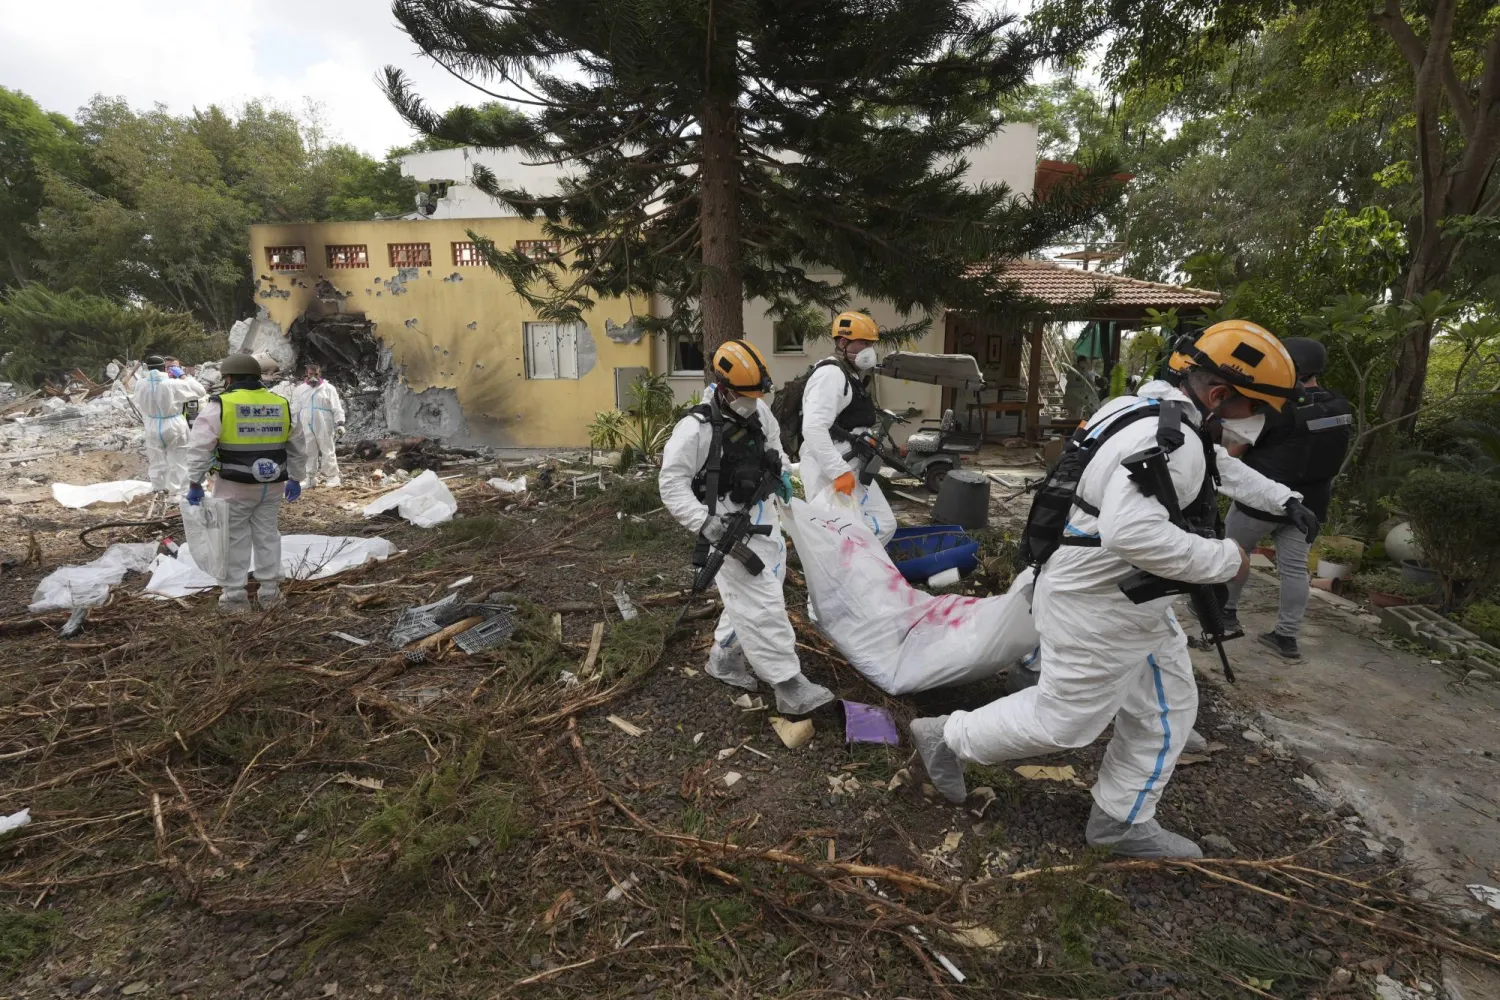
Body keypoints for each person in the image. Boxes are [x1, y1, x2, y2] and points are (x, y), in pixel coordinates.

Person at [908, 320, 1320, 859]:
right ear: (1220, 394)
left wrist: (1283, 498)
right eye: (1258, 409)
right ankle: (947, 736)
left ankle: (1121, 819)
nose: (1260, 424)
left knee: (1169, 706)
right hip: (1100, 604)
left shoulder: (1149, 413)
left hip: (1128, 599)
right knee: (1064, 722)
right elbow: (1132, 532)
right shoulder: (1171, 440)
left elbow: (1216, 468)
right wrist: (1225, 559)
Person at [659, 339, 835, 716]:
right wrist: (707, 525)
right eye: (745, 394)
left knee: (764, 588)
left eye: (757, 394)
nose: (752, 401)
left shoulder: (757, 411)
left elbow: (773, 446)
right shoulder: (695, 430)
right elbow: (671, 485)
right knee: (763, 600)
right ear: (723, 388)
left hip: (762, 512)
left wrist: (786, 474)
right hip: (726, 522)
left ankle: (723, 657)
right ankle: (788, 684)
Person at [1221, 337, 1352, 660]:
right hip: (1310, 504)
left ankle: (1225, 612)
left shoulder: (1275, 409)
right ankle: (1286, 637)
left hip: (1263, 500)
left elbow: (1231, 452)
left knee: (1233, 554)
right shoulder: (1339, 405)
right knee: (1294, 570)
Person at [184, 353, 308, 614]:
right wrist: (296, 478)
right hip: (273, 485)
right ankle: (271, 594)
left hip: (234, 486)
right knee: (268, 536)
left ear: (228, 378)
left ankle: (235, 597)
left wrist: (195, 482)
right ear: (257, 377)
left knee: (233, 539)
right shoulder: (281, 404)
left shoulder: (221, 405)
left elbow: (200, 448)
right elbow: (297, 446)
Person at [800, 311, 896, 545]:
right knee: (839, 535)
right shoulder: (830, 374)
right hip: (832, 466)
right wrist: (838, 471)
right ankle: (838, 579)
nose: (869, 350)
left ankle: (861, 575)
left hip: (852, 463)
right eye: (864, 343)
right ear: (844, 343)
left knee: (881, 525)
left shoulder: (849, 374)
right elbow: (813, 428)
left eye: (870, 344)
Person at [131, 355, 207, 495]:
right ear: (164, 368)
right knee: (181, 459)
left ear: (147, 368)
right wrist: (184, 376)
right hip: (173, 423)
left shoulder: (140, 384)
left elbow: (138, 400)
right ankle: (184, 492)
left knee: (156, 460)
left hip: (152, 423)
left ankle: (159, 490)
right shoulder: (172, 384)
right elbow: (200, 391)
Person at [291, 364, 347, 488]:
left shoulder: (328, 388)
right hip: (306, 424)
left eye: (316, 374)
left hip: (324, 423)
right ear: (306, 374)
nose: (313, 377)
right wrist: (293, 426)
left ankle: (333, 476)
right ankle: (310, 478)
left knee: (327, 449)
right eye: (311, 374)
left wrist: (340, 423)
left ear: (320, 374)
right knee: (308, 451)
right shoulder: (300, 390)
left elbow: (337, 407)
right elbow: (294, 409)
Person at [1063, 355, 1099, 421]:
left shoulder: (1085, 372)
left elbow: (1090, 383)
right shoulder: (1073, 370)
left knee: (1077, 415)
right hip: (1073, 397)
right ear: (1081, 362)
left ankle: (1071, 428)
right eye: (1084, 362)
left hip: (1080, 398)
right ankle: (1070, 428)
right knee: (1074, 416)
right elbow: (1078, 380)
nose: (1085, 364)